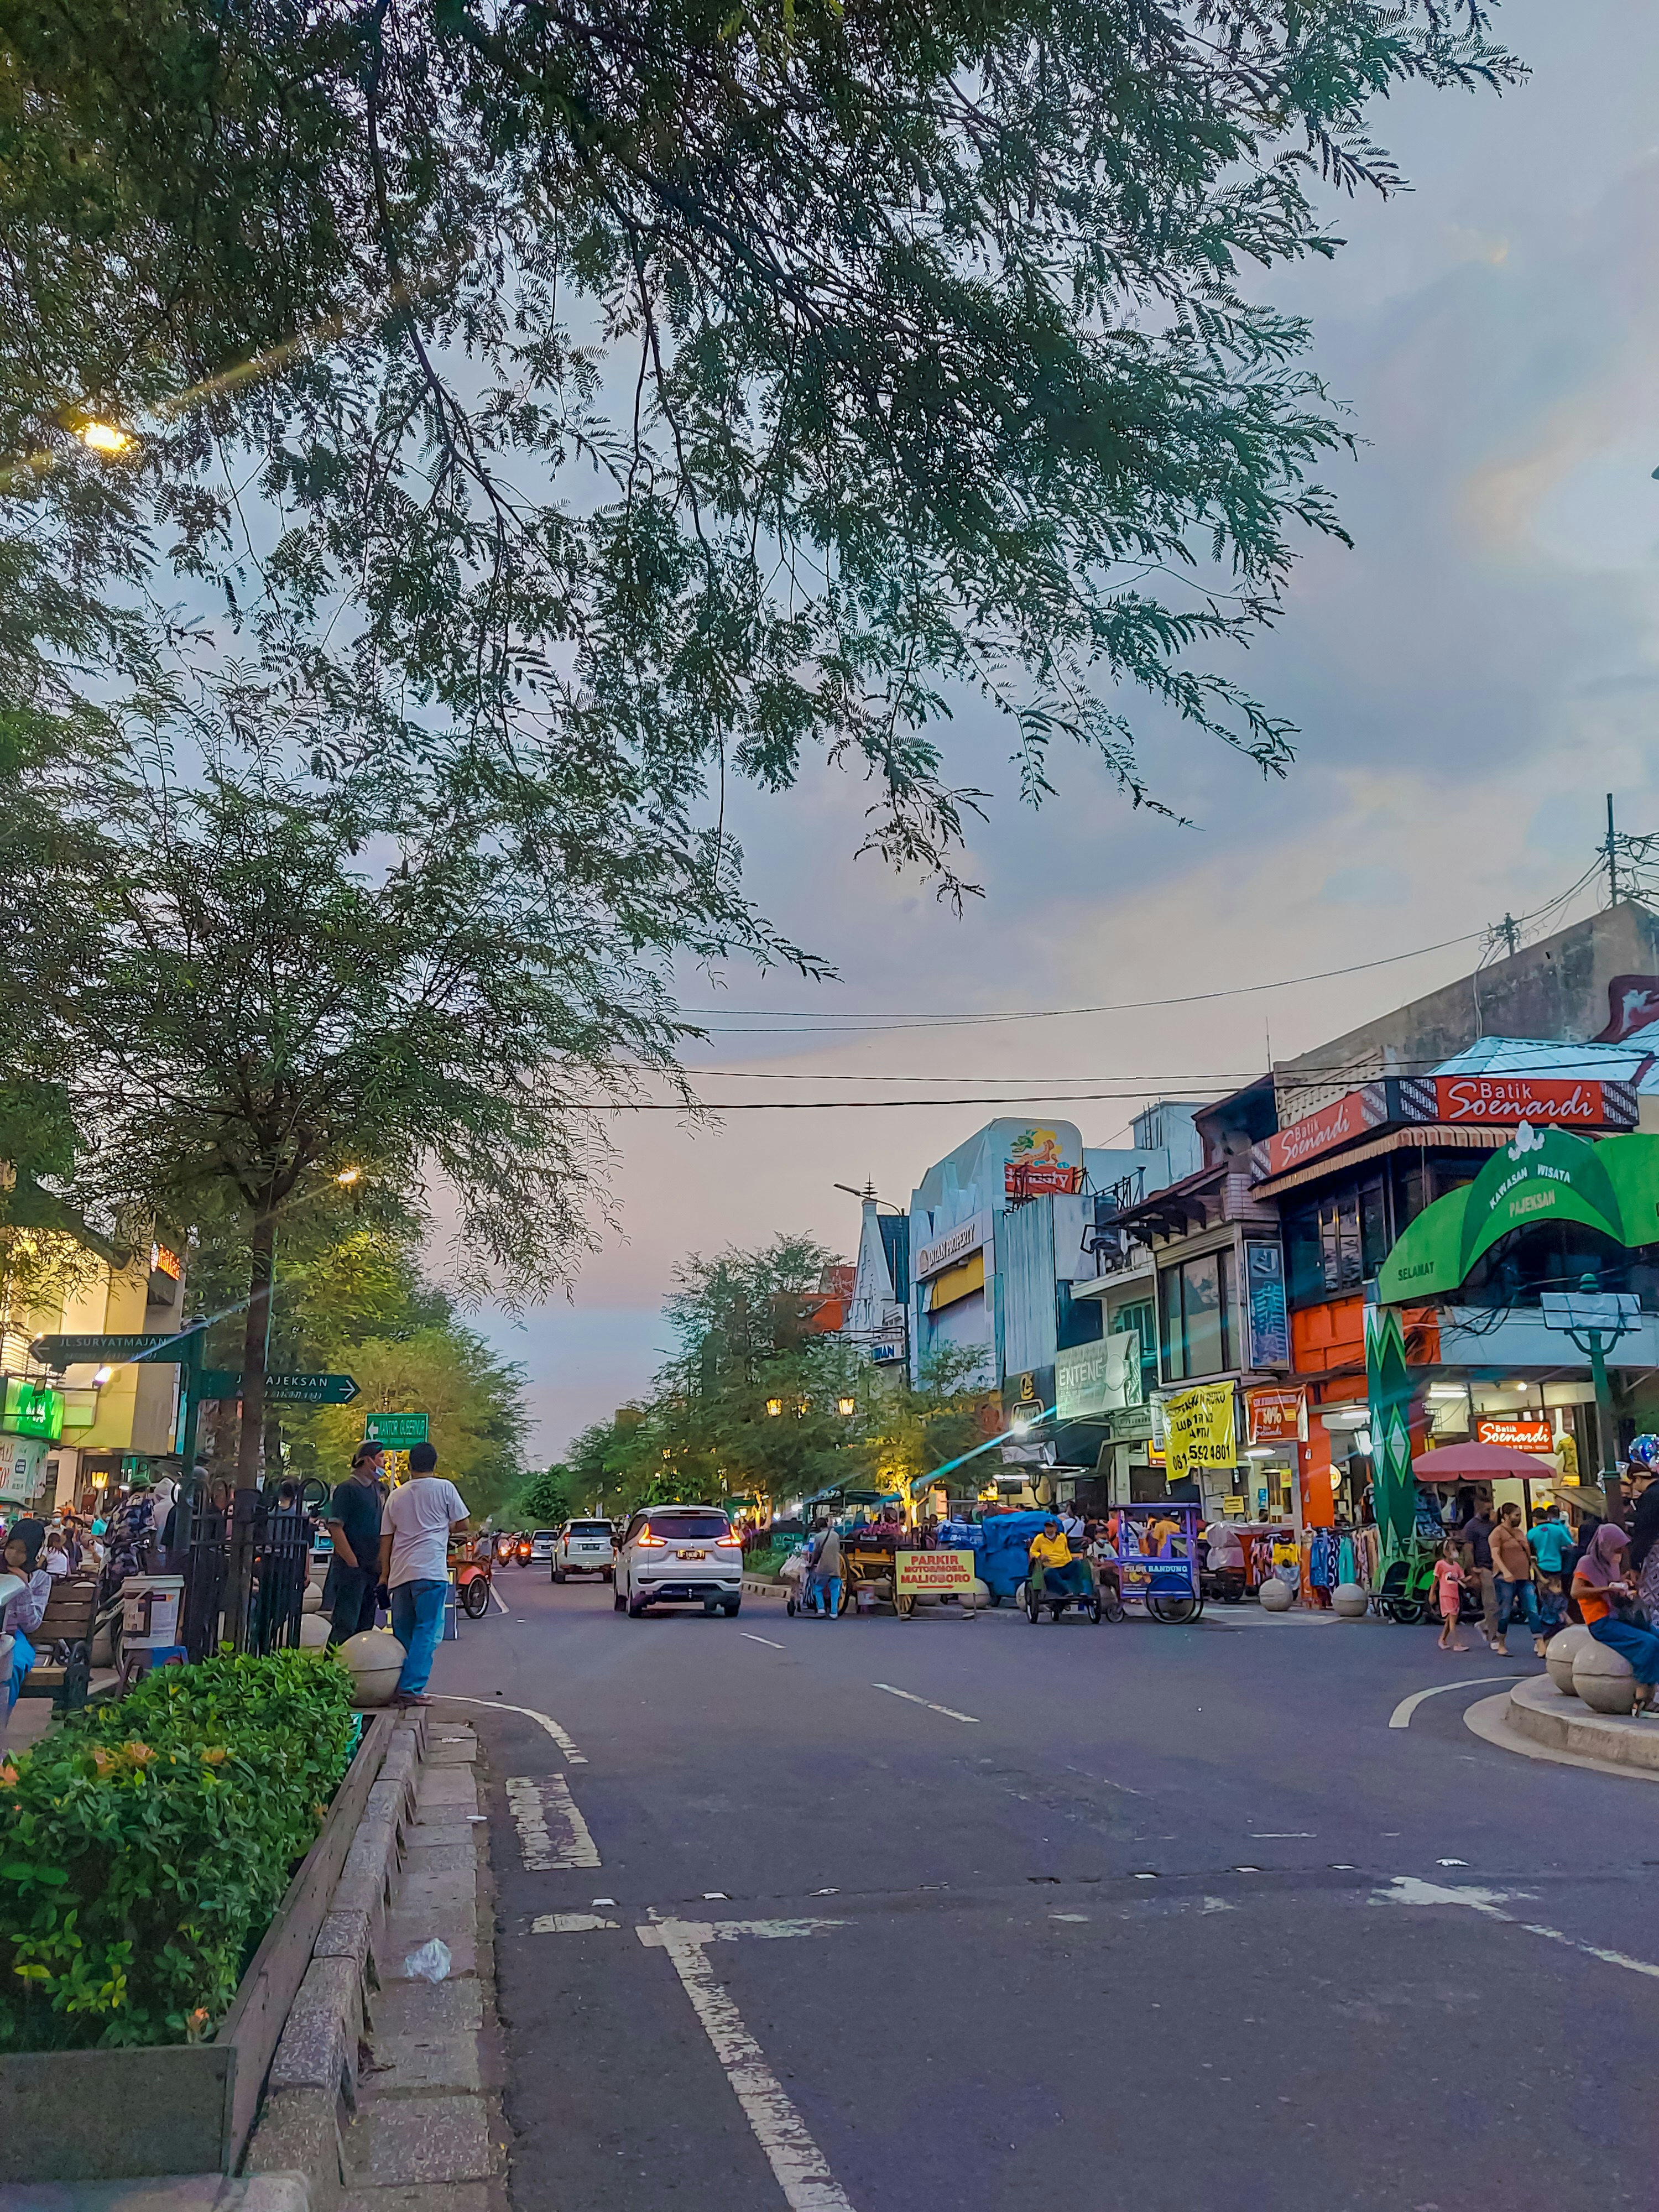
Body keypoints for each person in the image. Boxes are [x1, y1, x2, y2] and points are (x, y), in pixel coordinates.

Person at [377, 1442, 469, 1708]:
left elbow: (386, 1539)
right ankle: (411, 1688)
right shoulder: (445, 1488)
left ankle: (398, 1684)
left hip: (401, 1573)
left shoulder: (396, 1496)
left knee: (404, 1632)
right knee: (428, 1631)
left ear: (410, 1466)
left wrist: (385, 1575)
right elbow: (463, 1522)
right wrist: (445, 1525)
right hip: (430, 1571)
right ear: (434, 1464)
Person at [326, 1443, 387, 1646]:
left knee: (365, 1625)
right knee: (345, 1625)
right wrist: (352, 1563)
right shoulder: (347, 1489)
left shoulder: (378, 1490)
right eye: (380, 1457)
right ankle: (332, 1670)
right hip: (351, 1570)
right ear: (367, 1460)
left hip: (372, 1569)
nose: (384, 1462)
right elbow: (336, 1528)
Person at [1, 1521, 51, 1714]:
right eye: (11, 1547)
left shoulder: (41, 1579)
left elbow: (32, 1625)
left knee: (10, 1666)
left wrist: (23, 1587)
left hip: (16, 1636)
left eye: (22, 1550)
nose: (13, 1554)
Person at [1490, 1501, 1546, 1657]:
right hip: (1505, 1579)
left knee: (1532, 1609)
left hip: (1524, 1577)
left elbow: (1528, 1556)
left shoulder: (1520, 1533)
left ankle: (1540, 1643)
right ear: (1506, 1516)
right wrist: (1505, 1572)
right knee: (1506, 1612)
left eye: (1520, 1515)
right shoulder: (1497, 1533)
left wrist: (1537, 1574)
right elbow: (1495, 1554)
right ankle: (1501, 1643)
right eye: (1516, 1515)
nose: (1519, 1518)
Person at [98, 1472, 156, 1603]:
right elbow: (148, 1532)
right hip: (133, 1562)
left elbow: (107, 1539)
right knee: (132, 1604)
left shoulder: (118, 1508)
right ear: (146, 1489)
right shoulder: (146, 1504)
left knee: (115, 1605)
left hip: (115, 1563)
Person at [1455, 1493, 1502, 1652]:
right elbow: (1469, 1549)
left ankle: (1484, 1625)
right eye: (1487, 1508)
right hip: (1483, 1567)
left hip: (1495, 1566)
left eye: (1491, 1508)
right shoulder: (1471, 1527)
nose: (1490, 1511)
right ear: (1479, 1508)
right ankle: (1493, 1637)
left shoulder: (1492, 1525)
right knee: (1491, 1603)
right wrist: (1473, 1570)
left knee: (1502, 1603)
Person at [1571, 1521, 1630, 1629]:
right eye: (1617, 1548)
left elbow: (1610, 1582)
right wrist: (1606, 1589)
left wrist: (1622, 1582)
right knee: (1649, 1641)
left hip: (1616, 1614)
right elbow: (1575, 1592)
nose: (1620, 1552)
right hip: (1599, 1619)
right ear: (1607, 1545)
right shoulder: (1587, 1562)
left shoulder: (1611, 1561)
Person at [1528, 1503, 1572, 1628]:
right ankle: (1558, 1615)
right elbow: (1569, 1545)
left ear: (1535, 1518)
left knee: (1545, 1594)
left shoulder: (1532, 1532)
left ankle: (1552, 1617)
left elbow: (1527, 1547)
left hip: (1542, 1566)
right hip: (1557, 1565)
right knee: (1557, 1591)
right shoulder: (1558, 1529)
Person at [1027, 1518, 1087, 1608]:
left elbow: (1066, 1551)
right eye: (1047, 1527)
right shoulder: (1040, 1538)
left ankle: (1079, 1591)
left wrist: (1070, 1560)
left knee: (1077, 1565)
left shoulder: (1062, 1537)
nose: (1049, 1529)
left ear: (1055, 1528)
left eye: (1051, 1527)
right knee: (1049, 1573)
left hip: (1064, 1565)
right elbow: (1032, 1551)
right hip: (1050, 1567)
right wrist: (1039, 1556)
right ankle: (1065, 1592)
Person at [1627, 1466, 1659, 1619]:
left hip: (1655, 1554)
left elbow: (1644, 1533)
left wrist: (1634, 1563)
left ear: (1638, 1479)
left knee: (1652, 1601)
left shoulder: (1649, 1498)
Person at [1432, 1540, 1468, 1652]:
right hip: (1446, 1595)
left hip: (1455, 1595)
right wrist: (1432, 1593)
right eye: (1453, 1550)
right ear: (1446, 1552)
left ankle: (1442, 1640)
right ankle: (1456, 1643)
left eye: (1456, 1550)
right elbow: (1436, 1580)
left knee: (1451, 1619)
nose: (1455, 1552)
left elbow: (1462, 1579)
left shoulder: (1456, 1566)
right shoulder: (1441, 1565)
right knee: (1452, 1620)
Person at [809, 1525, 843, 1618]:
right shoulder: (836, 1535)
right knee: (835, 1590)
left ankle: (821, 1608)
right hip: (835, 1568)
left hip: (823, 1568)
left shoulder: (818, 1537)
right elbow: (839, 1549)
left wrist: (811, 1563)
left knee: (818, 1588)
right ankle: (834, 1612)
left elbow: (815, 1552)